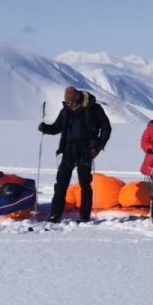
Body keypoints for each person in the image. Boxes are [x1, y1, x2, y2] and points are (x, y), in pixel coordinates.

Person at [38, 86, 113, 223]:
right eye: (67, 101)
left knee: (85, 184)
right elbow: (57, 127)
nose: (68, 104)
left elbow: (106, 128)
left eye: (70, 101)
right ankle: (55, 214)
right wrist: (45, 128)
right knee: (61, 183)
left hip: (86, 151)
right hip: (68, 150)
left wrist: (97, 147)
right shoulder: (65, 110)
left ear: (77, 98)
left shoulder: (93, 109)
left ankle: (84, 216)